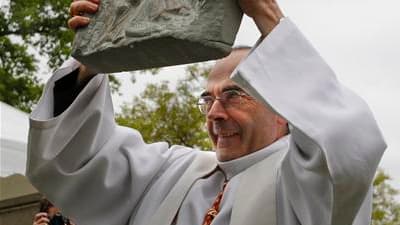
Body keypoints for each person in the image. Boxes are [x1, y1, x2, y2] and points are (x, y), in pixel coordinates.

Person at [26, 0, 386, 225]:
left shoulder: (307, 180)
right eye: (208, 98)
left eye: (233, 95)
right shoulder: (174, 170)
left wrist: (265, 14)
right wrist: (94, 54)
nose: (214, 112)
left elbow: (348, 147)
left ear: (283, 106)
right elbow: (70, 165)